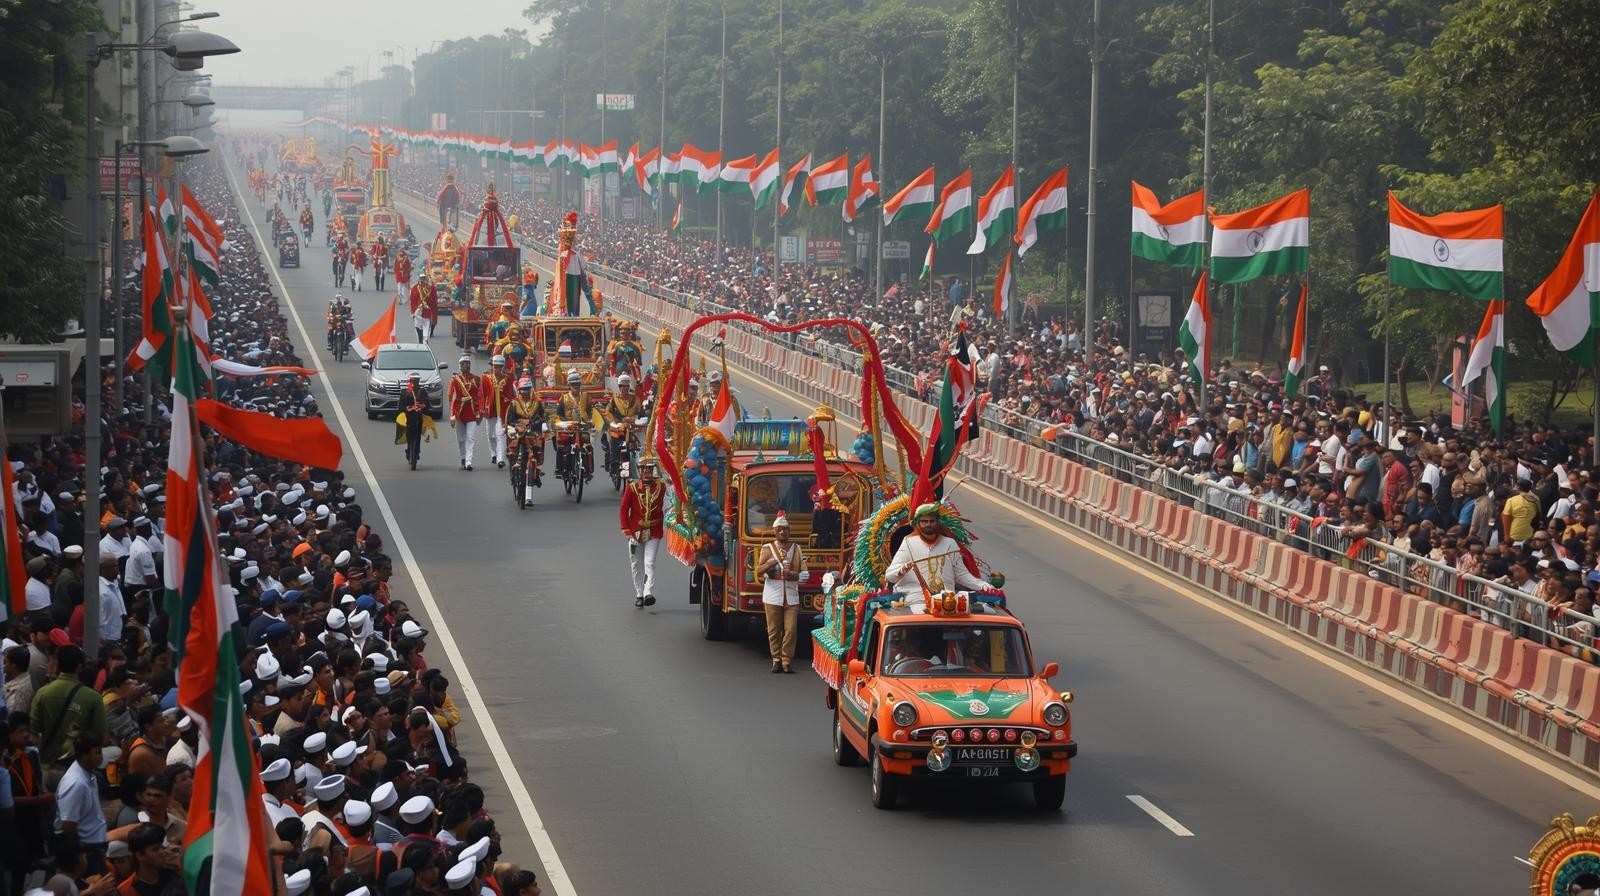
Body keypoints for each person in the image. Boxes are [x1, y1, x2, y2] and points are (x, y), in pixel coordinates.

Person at [884, 502, 989, 597]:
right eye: (924, 521)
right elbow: (890, 575)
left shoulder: (950, 544)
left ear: (938, 522)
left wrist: (983, 586)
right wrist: (901, 570)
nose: (928, 524)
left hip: (946, 600)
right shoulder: (909, 543)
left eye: (932, 521)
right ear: (918, 524)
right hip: (915, 597)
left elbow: (962, 575)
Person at [758, 514, 806, 673]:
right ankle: (776, 659)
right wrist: (772, 562)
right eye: (779, 529)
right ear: (774, 531)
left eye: (785, 529)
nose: (783, 532)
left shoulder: (797, 549)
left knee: (791, 630)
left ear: (789, 531)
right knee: (773, 630)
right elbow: (759, 571)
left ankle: (786, 660)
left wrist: (794, 575)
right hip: (772, 595)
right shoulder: (767, 548)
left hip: (791, 596)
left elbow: (805, 574)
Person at [56, 735, 109, 871]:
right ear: (85, 755)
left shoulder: (89, 773)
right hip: (88, 849)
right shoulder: (76, 784)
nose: (101, 756)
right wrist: (81, 858)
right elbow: (68, 826)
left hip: (97, 842)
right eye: (97, 752)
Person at [618, 458, 665, 608]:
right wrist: (626, 531)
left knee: (649, 562)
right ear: (639, 471)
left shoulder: (661, 487)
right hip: (635, 533)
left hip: (654, 531)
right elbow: (624, 510)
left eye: (649, 469)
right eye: (643, 469)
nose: (646, 472)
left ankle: (647, 592)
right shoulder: (632, 488)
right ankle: (639, 593)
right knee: (636, 564)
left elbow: (670, 504)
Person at [506, 380, 547, 500]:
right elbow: (510, 420)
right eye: (523, 390)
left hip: (532, 432)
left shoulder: (538, 403)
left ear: (531, 390)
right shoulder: (514, 404)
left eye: (527, 389)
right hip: (518, 432)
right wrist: (518, 426)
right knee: (512, 449)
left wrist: (535, 424)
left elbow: (542, 418)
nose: (525, 392)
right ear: (519, 391)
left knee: (539, 447)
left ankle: (537, 471)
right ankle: (514, 470)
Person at [554, 370, 594, 481]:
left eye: (578, 384)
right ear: (569, 385)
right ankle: (560, 470)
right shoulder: (563, 398)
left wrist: (590, 421)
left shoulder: (586, 397)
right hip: (568, 429)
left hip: (582, 428)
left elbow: (591, 412)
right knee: (561, 447)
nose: (576, 387)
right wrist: (563, 424)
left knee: (588, 446)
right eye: (573, 385)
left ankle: (589, 470)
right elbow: (559, 414)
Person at [599, 374, 643, 477]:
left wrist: (635, 419)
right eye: (622, 386)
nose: (624, 388)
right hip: (617, 428)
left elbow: (641, 414)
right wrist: (613, 422)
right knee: (613, 441)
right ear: (619, 387)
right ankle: (614, 463)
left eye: (626, 386)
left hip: (632, 428)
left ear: (629, 387)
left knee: (638, 446)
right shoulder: (614, 399)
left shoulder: (636, 399)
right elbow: (608, 412)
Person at [448, 357, 482, 471]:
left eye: (468, 363)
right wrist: (452, 415)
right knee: (461, 439)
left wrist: (480, 413)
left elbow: (480, 397)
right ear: (460, 366)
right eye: (464, 364)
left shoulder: (476, 379)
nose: (466, 366)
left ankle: (468, 462)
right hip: (459, 413)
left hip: (472, 413)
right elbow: (451, 398)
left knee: (470, 438)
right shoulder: (455, 380)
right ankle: (463, 457)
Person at [480, 355, 514, 468]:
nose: (497, 369)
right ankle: (493, 453)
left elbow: (510, 394)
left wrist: (509, 405)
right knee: (491, 436)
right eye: (495, 366)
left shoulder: (508, 378)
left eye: (499, 367)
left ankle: (500, 459)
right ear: (492, 366)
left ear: (503, 367)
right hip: (490, 410)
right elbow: (482, 394)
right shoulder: (486, 378)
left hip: (503, 412)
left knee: (501, 435)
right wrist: (482, 408)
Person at [401, 372, 429, 470]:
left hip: (418, 418)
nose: (414, 382)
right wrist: (407, 409)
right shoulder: (405, 392)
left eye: (416, 380)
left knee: (417, 437)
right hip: (409, 418)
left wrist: (422, 407)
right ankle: (409, 451)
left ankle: (416, 452)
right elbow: (401, 406)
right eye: (412, 380)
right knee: (409, 436)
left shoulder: (423, 391)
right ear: (410, 381)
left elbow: (427, 404)